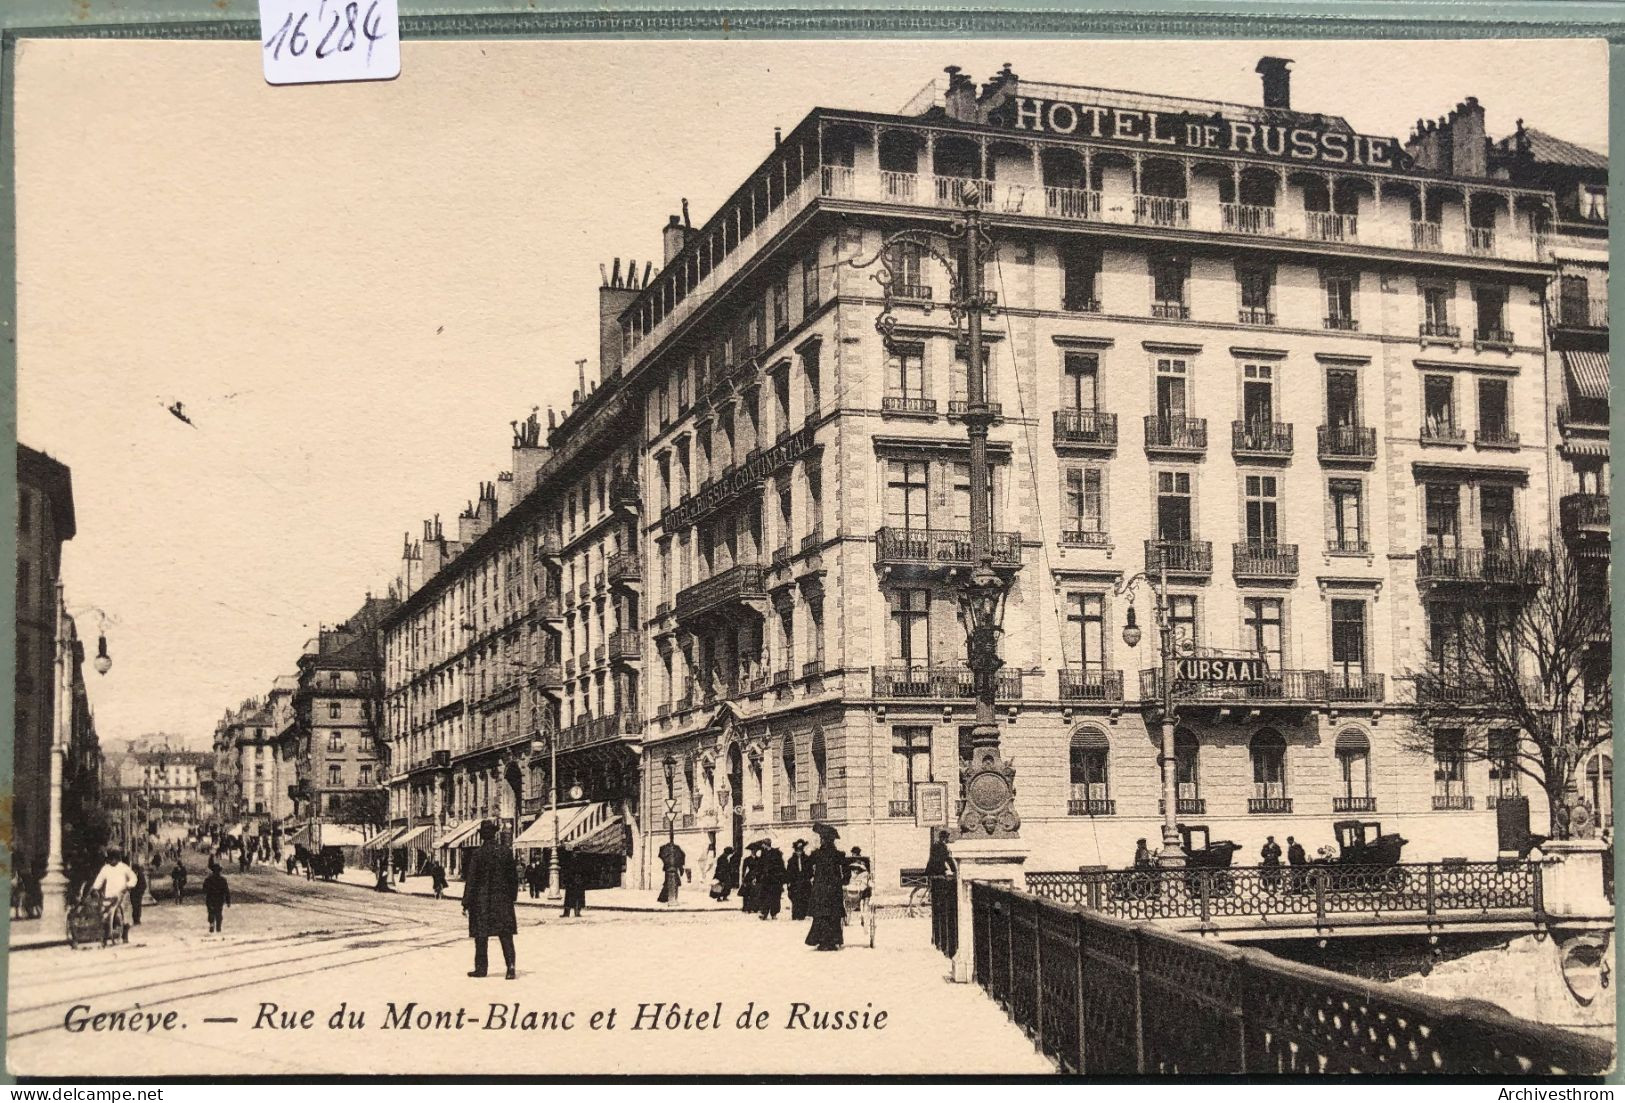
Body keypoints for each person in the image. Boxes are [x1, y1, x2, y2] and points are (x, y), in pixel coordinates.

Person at [461, 821, 519, 979]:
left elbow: (471, 880)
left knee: (481, 936)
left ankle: (481, 969)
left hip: (482, 901)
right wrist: (511, 897)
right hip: (502, 900)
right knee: (506, 935)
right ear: (495, 834)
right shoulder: (506, 852)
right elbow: (513, 878)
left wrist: (466, 902)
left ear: (481, 836)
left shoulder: (478, 854)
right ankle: (511, 968)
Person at [804, 825, 849, 951]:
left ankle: (823, 942)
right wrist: (844, 880)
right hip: (834, 888)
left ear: (823, 840)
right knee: (834, 915)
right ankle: (833, 941)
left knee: (821, 916)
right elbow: (846, 869)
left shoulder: (817, 854)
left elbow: (807, 868)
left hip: (820, 888)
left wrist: (811, 877)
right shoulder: (838, 854)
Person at [91, 849, 137, 943]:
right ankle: (105, 935)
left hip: (122, 894)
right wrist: (95, 888)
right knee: (106, 914)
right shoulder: (106, 868)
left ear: (117, 859)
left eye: (113, 859)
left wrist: (128, 886)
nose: (111, 861)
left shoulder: (124, 867)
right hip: (110, 895)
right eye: (110, 859)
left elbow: (134, 878)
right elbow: (99, 879)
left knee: (125, 914)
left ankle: (125, 935)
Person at [756, 840, 785, 920]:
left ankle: (774, 913)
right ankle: (764, 913)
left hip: (774, 879)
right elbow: (760, 866)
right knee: (765, 896)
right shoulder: (763, 853)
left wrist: (781, 878)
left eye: (763, 844)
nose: (762, 846)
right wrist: (758, 876)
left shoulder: (776, 853)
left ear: (766, 845)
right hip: (766, 879)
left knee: (775, 897)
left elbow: (781, 865)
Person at [786, 839, 813, 920]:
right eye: (797, 851)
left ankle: (803, 914)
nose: (799, 853)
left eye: (800, 851)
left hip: (804, 882)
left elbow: (810, 870)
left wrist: (808, 877)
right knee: (795, 898)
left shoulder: (807, 859)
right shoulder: (791, 861)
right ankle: (795, 914)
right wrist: (789, 882)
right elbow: (789, 872)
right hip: (795, 882)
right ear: (795, 851)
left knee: (804, 898)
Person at [203, 861, 231, 933]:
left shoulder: (208, 879)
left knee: (211, 912)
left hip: (210, 898)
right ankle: (218, 926)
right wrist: (228, 901)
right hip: (219, 899)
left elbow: (204, 889)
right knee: (218, 912)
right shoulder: (222, 880)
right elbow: (226, 891)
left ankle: (212, 924)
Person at [657, 837, 686, 906]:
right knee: (674, 883)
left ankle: (663, 898)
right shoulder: (673, 850)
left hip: (670, 869)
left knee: (669, 883)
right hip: (671, 869)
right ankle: (670, 898)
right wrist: (681, 868)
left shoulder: (669, 850)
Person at [560, 847, 586, 918]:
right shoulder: (575, 860)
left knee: (573, 897)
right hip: (573, 882)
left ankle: (574, 912)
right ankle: (570, 912)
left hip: (575, 881)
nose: (576, 854)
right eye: (575, 853)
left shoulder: (576, 860)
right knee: (572, 897)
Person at [739, 842, 762, 913]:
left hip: (757, 876)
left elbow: (760, 868)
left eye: (755, 850)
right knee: (747, 892)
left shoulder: (759, 859)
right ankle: (746, 907)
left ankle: (755, 907)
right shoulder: (747, 859)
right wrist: (742, 878)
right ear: (751, 851)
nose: (754, 851)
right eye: (752, 850)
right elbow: (744, 869)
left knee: (756, 892)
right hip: (749, 876)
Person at [130, 861, 148, 926]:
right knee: (134, 906)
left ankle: (137, 919)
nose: (133, 870)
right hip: (133, 893)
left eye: (134, 869)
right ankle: (135, 919)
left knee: (138, 906)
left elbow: (144, 885)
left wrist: (140, 892)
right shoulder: (131, 875)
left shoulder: (141, 875)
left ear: (137, 869)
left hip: (138, 894)